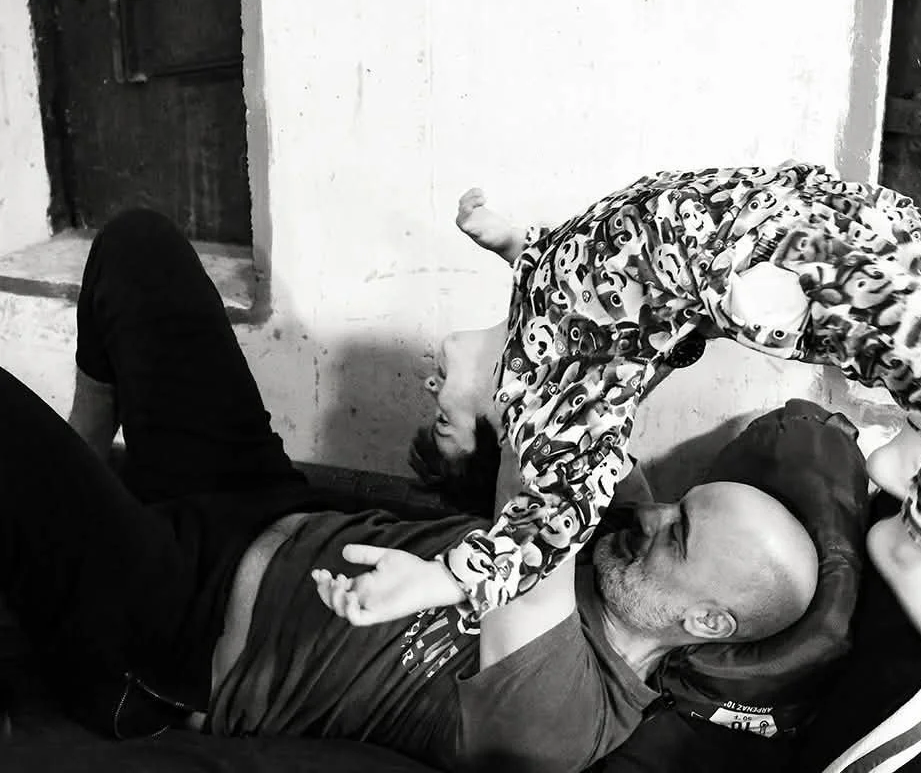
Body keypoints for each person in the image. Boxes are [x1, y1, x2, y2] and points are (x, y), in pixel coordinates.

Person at [0, 210, 820, 772]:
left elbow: (542, 448)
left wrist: (504, 345)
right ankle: (85, 463)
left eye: (680, 534)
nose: (654, 512)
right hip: (263, 503)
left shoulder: (569, 715)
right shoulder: (617, 542)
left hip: (172, 629)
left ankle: (61, 517)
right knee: (138, 249)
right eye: (681, 502)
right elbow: (597, 405)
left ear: (707, 621)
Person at [336, 161, 921, 663]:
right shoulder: (553, 413)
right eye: (447, 423)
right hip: (767, 261)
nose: (431, 387)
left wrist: (511, 241)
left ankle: (919, 449)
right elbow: (543, 526)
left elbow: (584, 271)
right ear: (505, 424)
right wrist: (447, 579)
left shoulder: (536, 304)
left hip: (804, 204)